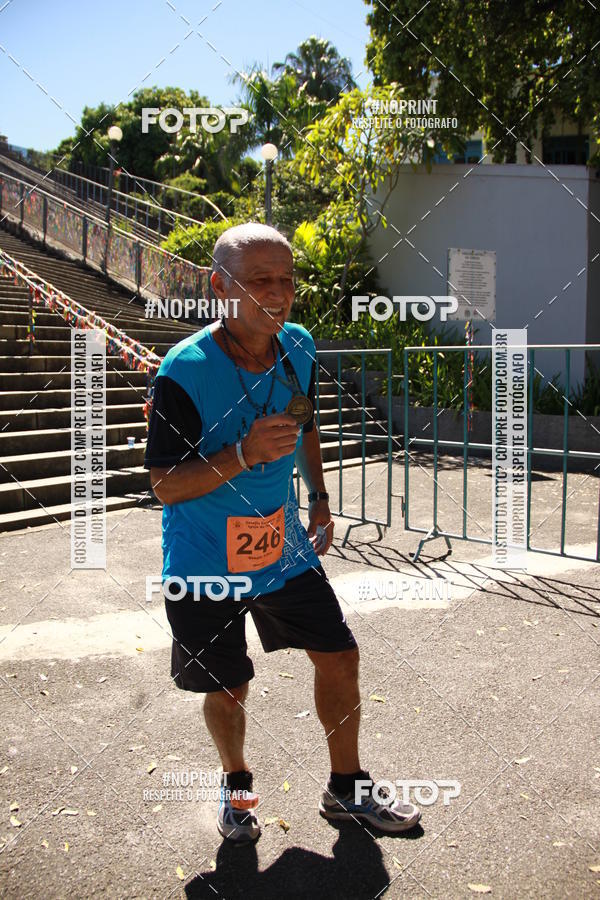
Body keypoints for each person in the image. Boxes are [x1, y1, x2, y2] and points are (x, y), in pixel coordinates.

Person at [144, 223, 421, 842]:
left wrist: (319, 496)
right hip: (203, 562)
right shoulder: (181, 372)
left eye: (287, 280)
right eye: (260, 280)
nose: (279, 293)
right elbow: (163, 484)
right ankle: (237, 793)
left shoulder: (297, 345)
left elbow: (306, 423)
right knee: (229, 685)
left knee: (340, 654)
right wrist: (240, 455)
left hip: (280, 548)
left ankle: (347, 789)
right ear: (219, 286)